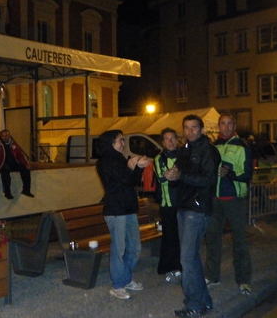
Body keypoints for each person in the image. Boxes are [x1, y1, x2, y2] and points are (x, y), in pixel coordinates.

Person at [164, 115, 221, 317]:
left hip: (197, 209)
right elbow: (180, 178)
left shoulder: (208, 151)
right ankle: (204, 301)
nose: (190, 131)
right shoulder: (184, 151)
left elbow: (208, 180)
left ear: (202, 129)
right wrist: (172, 178)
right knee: (191, 259)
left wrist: (181, 177)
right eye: (186, 128)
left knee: (187, 259)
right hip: (184, 207)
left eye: (194, 127)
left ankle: (194, 304)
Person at [95, 129, 152, 300]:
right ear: (111, 143)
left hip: (128, 208)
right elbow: (115, 185)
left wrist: (139, 168)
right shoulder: (104, 162)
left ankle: (125, 278)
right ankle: (118, 285)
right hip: (116, 210)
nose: (123, 143)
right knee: (119, 249)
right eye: (120, 140)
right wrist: (130, 167)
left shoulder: (120, 159)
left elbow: (131, 181)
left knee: (135, 247)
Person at [205, 113, 253, 295]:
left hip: (234, 199)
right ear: (219, 126)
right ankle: (212, 276)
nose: (226, 127)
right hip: (215, 200)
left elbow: (248, 174)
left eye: (229, 123)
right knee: (212, 239)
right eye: (222, 124)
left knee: (240, 240)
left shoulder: (243, 147)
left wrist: (230, 173)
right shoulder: (212, 147)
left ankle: (244, 280)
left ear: (234, 125)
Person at [153, 127, 182, 283]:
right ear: (163, 142)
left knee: (182, 237)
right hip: (168, 204)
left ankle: (179, 266)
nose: (171, 141)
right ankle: (167, 268)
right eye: (167, 139)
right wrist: (173, 175)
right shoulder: (159, 159)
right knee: (169, 237)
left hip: (183, 203)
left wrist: (175, 175)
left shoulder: (183, 155)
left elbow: (182, 176)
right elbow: (163, 178)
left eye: (173, 138)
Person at [0, 129, 33, 199]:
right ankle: (7, 192)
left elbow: (20, 155)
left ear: (9, 136)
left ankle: (26, 189)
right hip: (1, 164)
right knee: (5, 172)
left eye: (6, 136)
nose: (5, 137)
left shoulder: (13, 144)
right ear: (0, 136)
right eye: (3, 136)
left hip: (12, 163)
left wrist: (26, 164)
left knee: (25, 169)